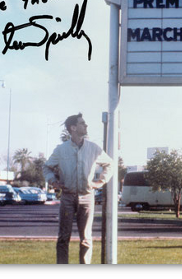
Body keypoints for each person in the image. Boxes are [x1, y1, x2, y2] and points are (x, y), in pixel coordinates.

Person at [43, 113, 113, 264]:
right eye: (82, 123)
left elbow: (110, 164)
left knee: (86, 238)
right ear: (73, 128)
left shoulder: (94, 148)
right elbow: (47, 167)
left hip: (87, 197)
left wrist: (100, 182)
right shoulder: (61, 150)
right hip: (67, 197)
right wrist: (53, 182)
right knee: (63, 237)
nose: (86, 126)